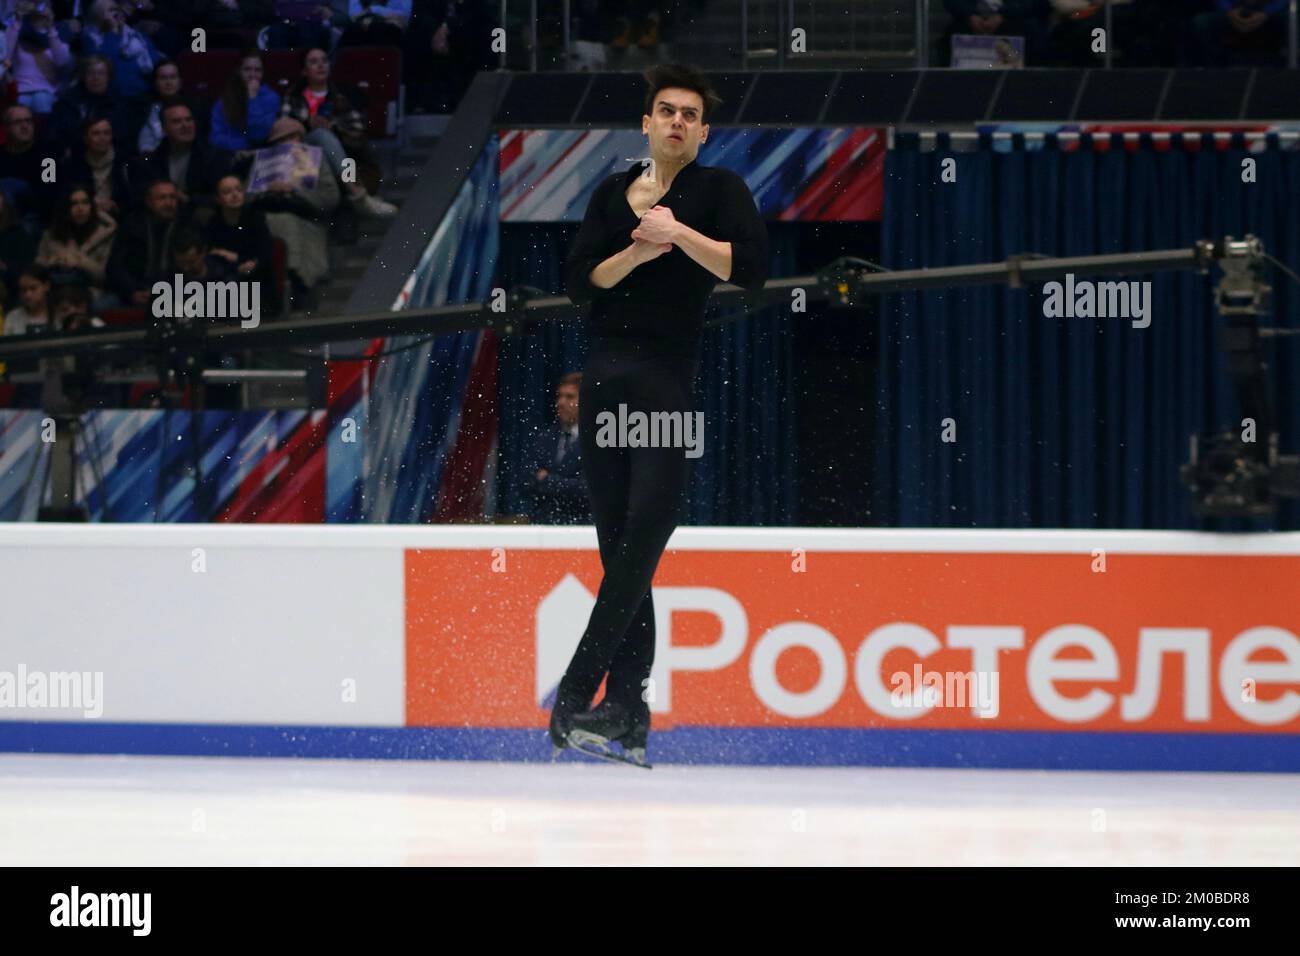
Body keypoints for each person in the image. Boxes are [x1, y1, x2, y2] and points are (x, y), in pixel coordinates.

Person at [549, 63, 769, 764]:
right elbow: (582, 284)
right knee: (620, 552)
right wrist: (638, 251)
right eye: (665, 110)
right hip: (605, 378)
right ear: (646, 123)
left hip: (667, 384)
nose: (676, 121)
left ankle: (577, 694)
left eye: (689, 114)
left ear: (703, 132)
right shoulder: (613, 195)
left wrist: (678, 235)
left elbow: (750, 270)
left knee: (643, 538)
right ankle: (626, 710)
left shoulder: (719, 191)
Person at [278, 47, 395, 216]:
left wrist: (333, 128)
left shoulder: (341, 95)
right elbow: (283, 130)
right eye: (313, 62)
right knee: (320, 136)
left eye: (324, 61)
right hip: (305, 155)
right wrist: (306, 124)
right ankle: (358, 195)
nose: (320, 65)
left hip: (344, 155)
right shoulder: (293, 96)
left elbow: (357, 131)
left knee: (327, 138)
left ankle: (351, 198)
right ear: (304, 71)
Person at [247, 116, 339, 311]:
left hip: (306, 219)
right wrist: (265, 190)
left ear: (300, 138)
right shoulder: (263, 162)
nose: (286, 145)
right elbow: (246, 199)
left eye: (291, 138)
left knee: (290, 226)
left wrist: (297, 189)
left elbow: (330, 199)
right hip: (267, 219)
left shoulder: (316, 161)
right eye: (280, 141)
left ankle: (297, 283)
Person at [523, 372, 591, 525]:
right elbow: (526, 480)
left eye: (569, 397)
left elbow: (589, 490)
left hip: (581, 529)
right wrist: (566, 484)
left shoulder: (597, 441)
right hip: (543, 527)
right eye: (559, 396)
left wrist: (547, 479)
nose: (561, 402)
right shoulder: (545, 437)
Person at [36, 185, 118, 306]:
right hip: (57, 291)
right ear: (66, 208)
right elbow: (37, 270)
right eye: (74, 204)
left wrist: (81, 262)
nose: (80, 208)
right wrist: (54, 261)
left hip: (92, 293)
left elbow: (107, 277)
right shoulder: (50, 235)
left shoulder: (105, 236)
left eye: (85, 203)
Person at [106, 177, 182, 305]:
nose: (168, 203)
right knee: (101, 306)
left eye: (172, 197)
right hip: (136, 290)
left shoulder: (186, 226)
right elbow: (115, 266)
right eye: (162, 198)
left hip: (174, 293)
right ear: (149, 201)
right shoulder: (132, 225)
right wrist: (132, 291)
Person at [0, 5, 73, 114]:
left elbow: (62, 61)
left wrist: (50, 27)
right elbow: (5, 56)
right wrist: (18, 21)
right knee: (21, 104)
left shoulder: (60, 29)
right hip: (20, 89)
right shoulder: (18, 28)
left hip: (46, 90)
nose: (38, 9)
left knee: (41, 99)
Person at [210, 49, 281, 153]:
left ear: (263, 73)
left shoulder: (271, 98)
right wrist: (242, 145)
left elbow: (260, 134)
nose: (252, 75)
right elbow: (215, 136)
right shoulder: (225, 99)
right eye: (247, 69)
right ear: (239, 71)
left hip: (261, 153)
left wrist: (252, 99)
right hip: (231, 153)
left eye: (258, 70)